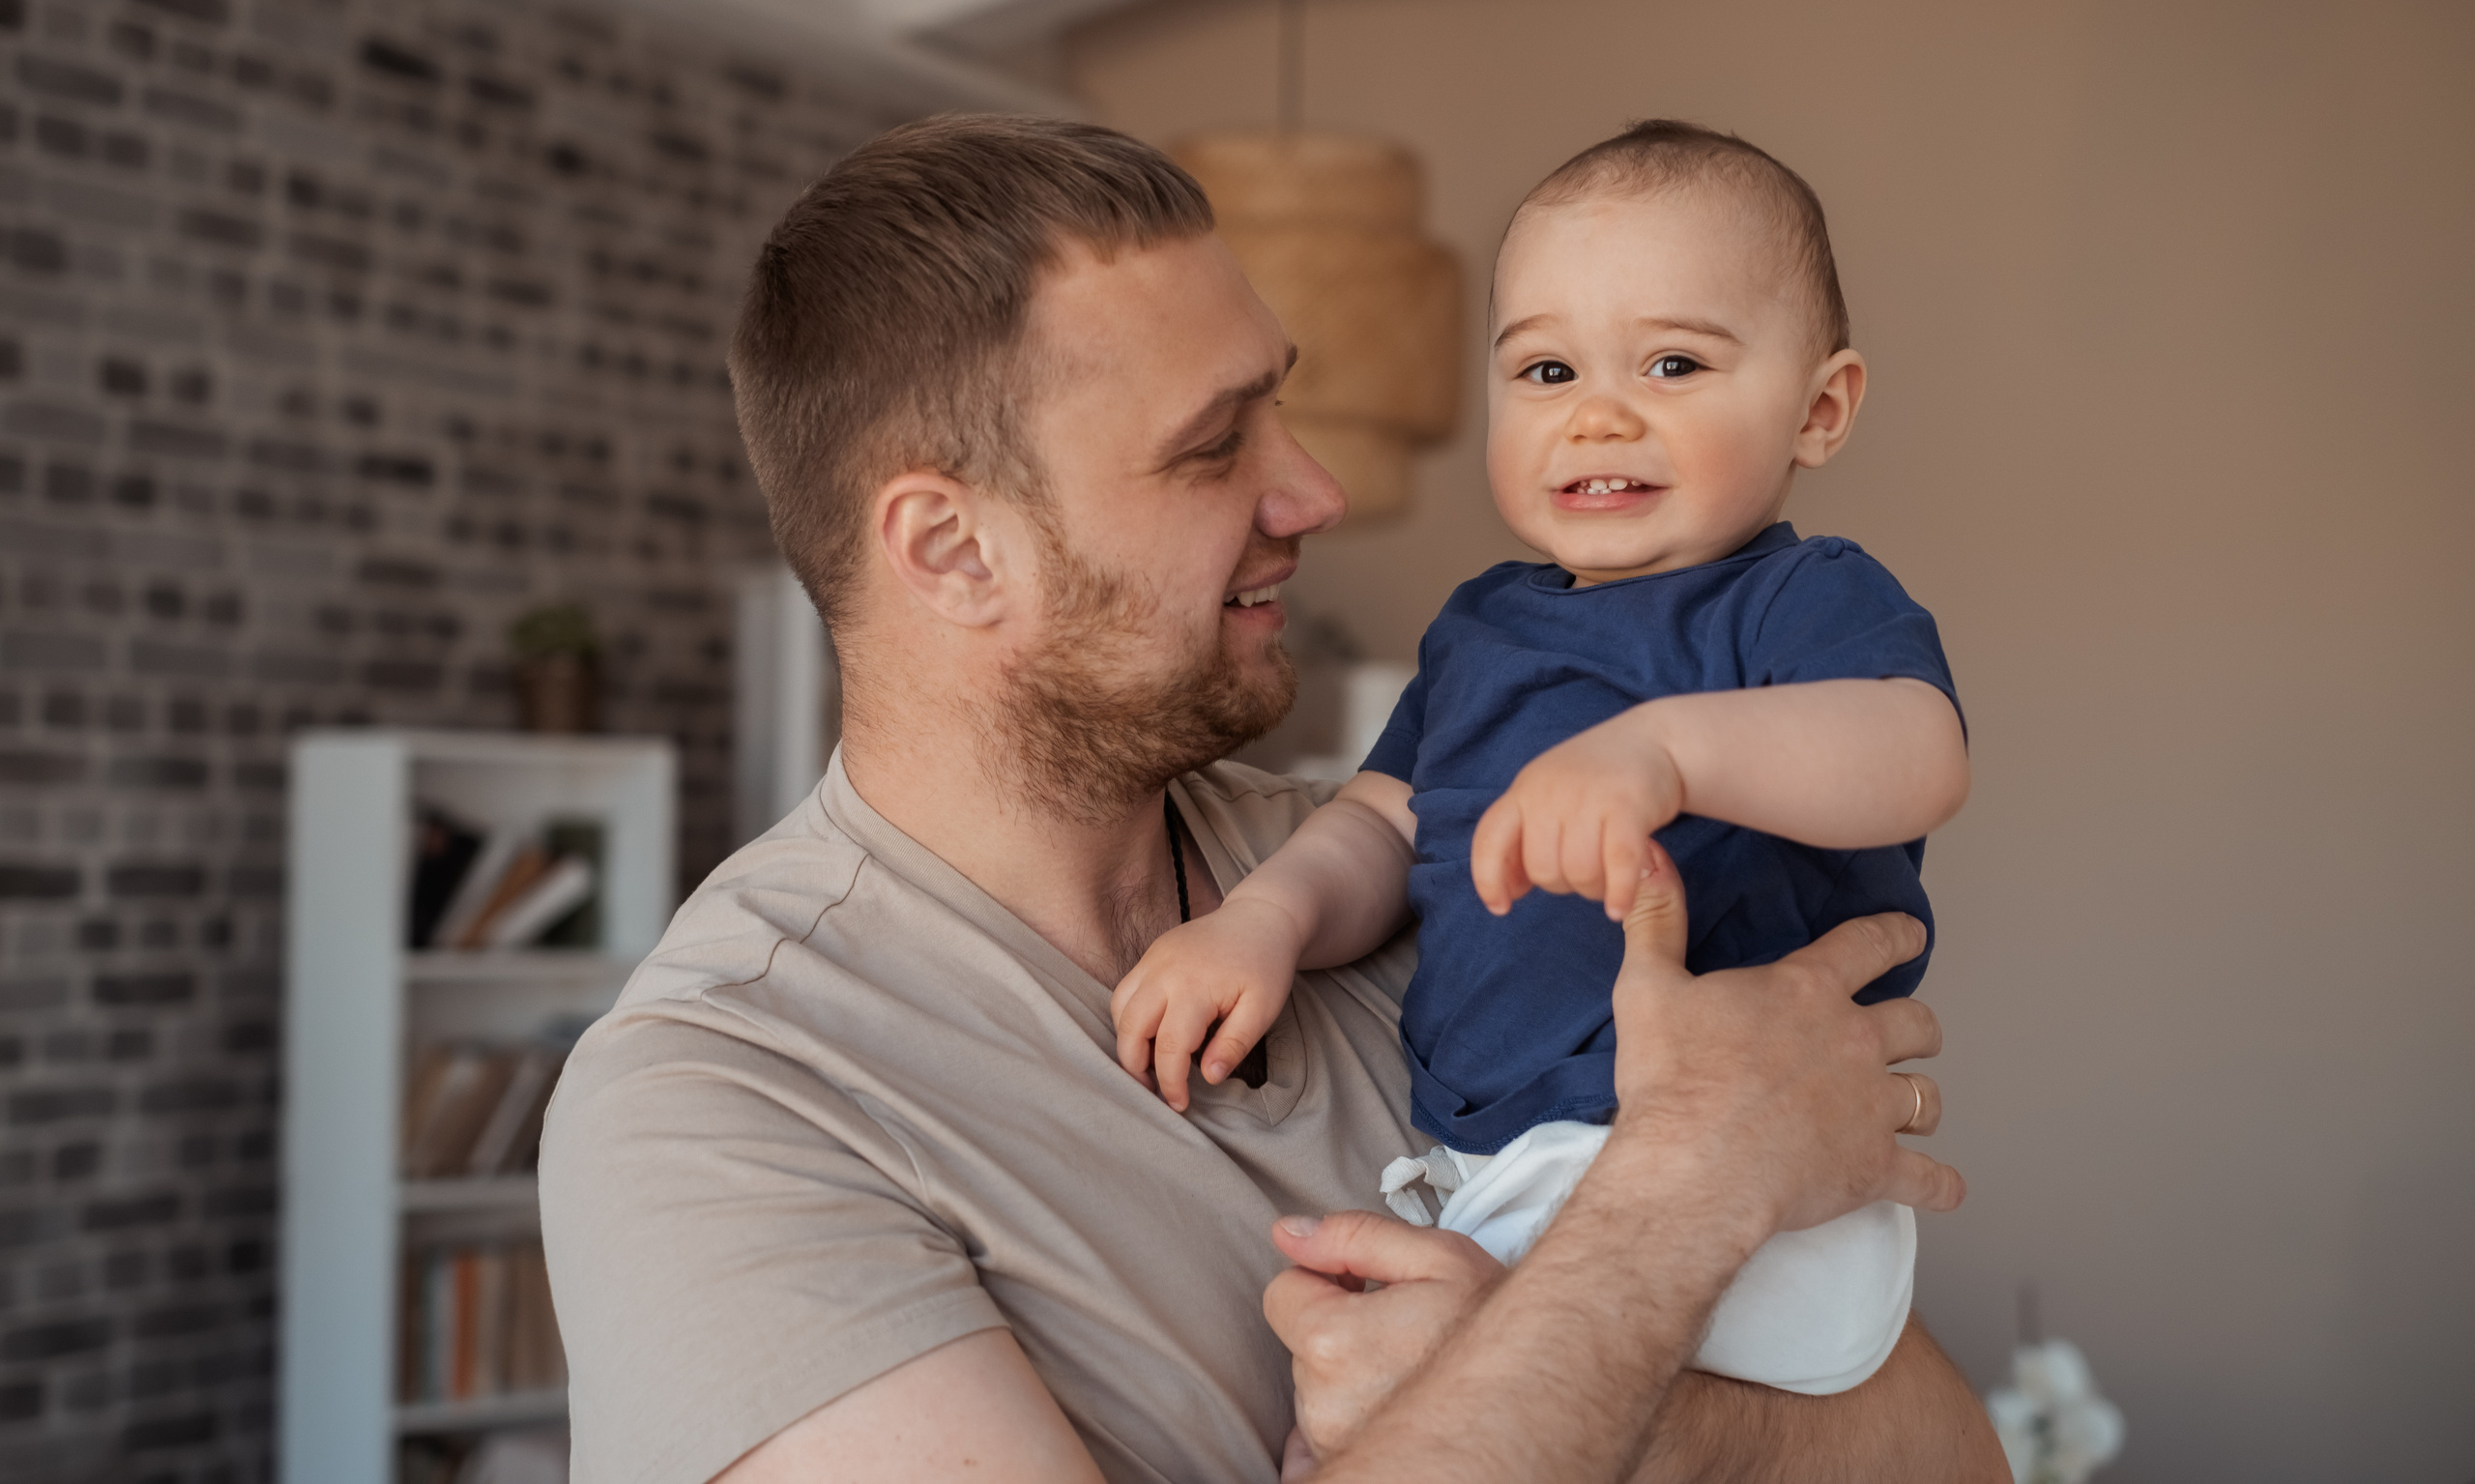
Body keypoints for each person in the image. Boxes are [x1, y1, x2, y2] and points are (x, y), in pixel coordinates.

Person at [538, 114, 2001, 1484]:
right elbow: (1665, 1241)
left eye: (1281, 409)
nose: (1315, 494)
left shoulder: (1459, 862)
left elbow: (1960, 1463)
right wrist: (1669, 1214)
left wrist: (1609, 1387)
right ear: (954, 550)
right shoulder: (724, 1107)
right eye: (1214, 444)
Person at [1113, 122, 1967, 1398]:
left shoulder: (1797, 602)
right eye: (1548, 369)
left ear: (1821, 408)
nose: (1600, 414)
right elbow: (1387, 822)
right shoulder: (1481, 629)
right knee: (1353, 1409)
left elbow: (1916, 752)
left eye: (1673, 362)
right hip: (1490, 1165)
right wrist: (1265, 921)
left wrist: (1665, 751)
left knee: (1451, 1413)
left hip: (1733, 1176)